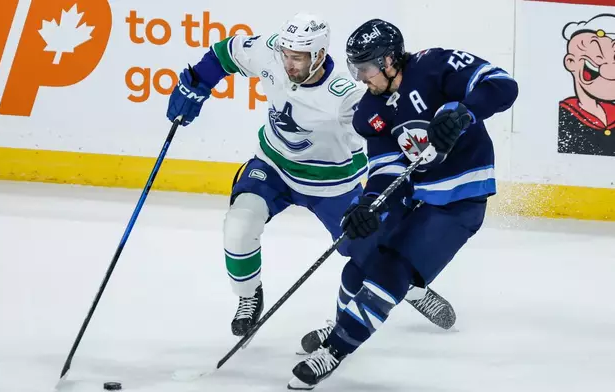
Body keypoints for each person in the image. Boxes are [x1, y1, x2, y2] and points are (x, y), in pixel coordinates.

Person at [166, 13, 456, 339]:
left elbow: (386, 134)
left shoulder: (346, 97)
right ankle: (248, 295)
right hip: (273, 167)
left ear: (318, 55)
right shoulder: (271, 51)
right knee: (239, 224)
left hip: (332, 185)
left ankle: (415, 291)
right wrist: (195, 83)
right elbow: (227, 53)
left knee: (374, 256)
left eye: (298, 58)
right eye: (287, 55)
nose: (289, 64)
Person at [288, 18, 519, 390]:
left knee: (390, 271)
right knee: (359, 257)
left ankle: (336, 347)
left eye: (365, 67)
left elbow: (503, 85)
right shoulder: (369, 111)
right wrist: (367, 204)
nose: (361, 77)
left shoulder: (434, 66)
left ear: (390, 60)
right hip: (413, 193)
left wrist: (464, 111)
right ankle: (348, 320)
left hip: (459, 199)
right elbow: (386, 168)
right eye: (355, 68)